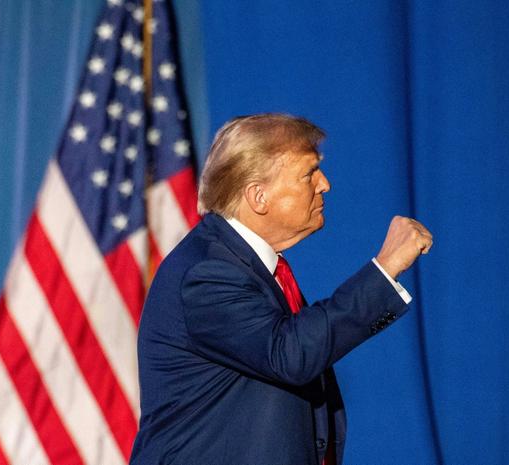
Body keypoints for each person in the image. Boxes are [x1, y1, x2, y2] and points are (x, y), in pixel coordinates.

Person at [129, 113, 433, 465]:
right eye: (309, 174)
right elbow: (290, 354)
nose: (325, 184)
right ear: (258, 197)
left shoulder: (252, 265)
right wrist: (386, 268)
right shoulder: (207, 272)